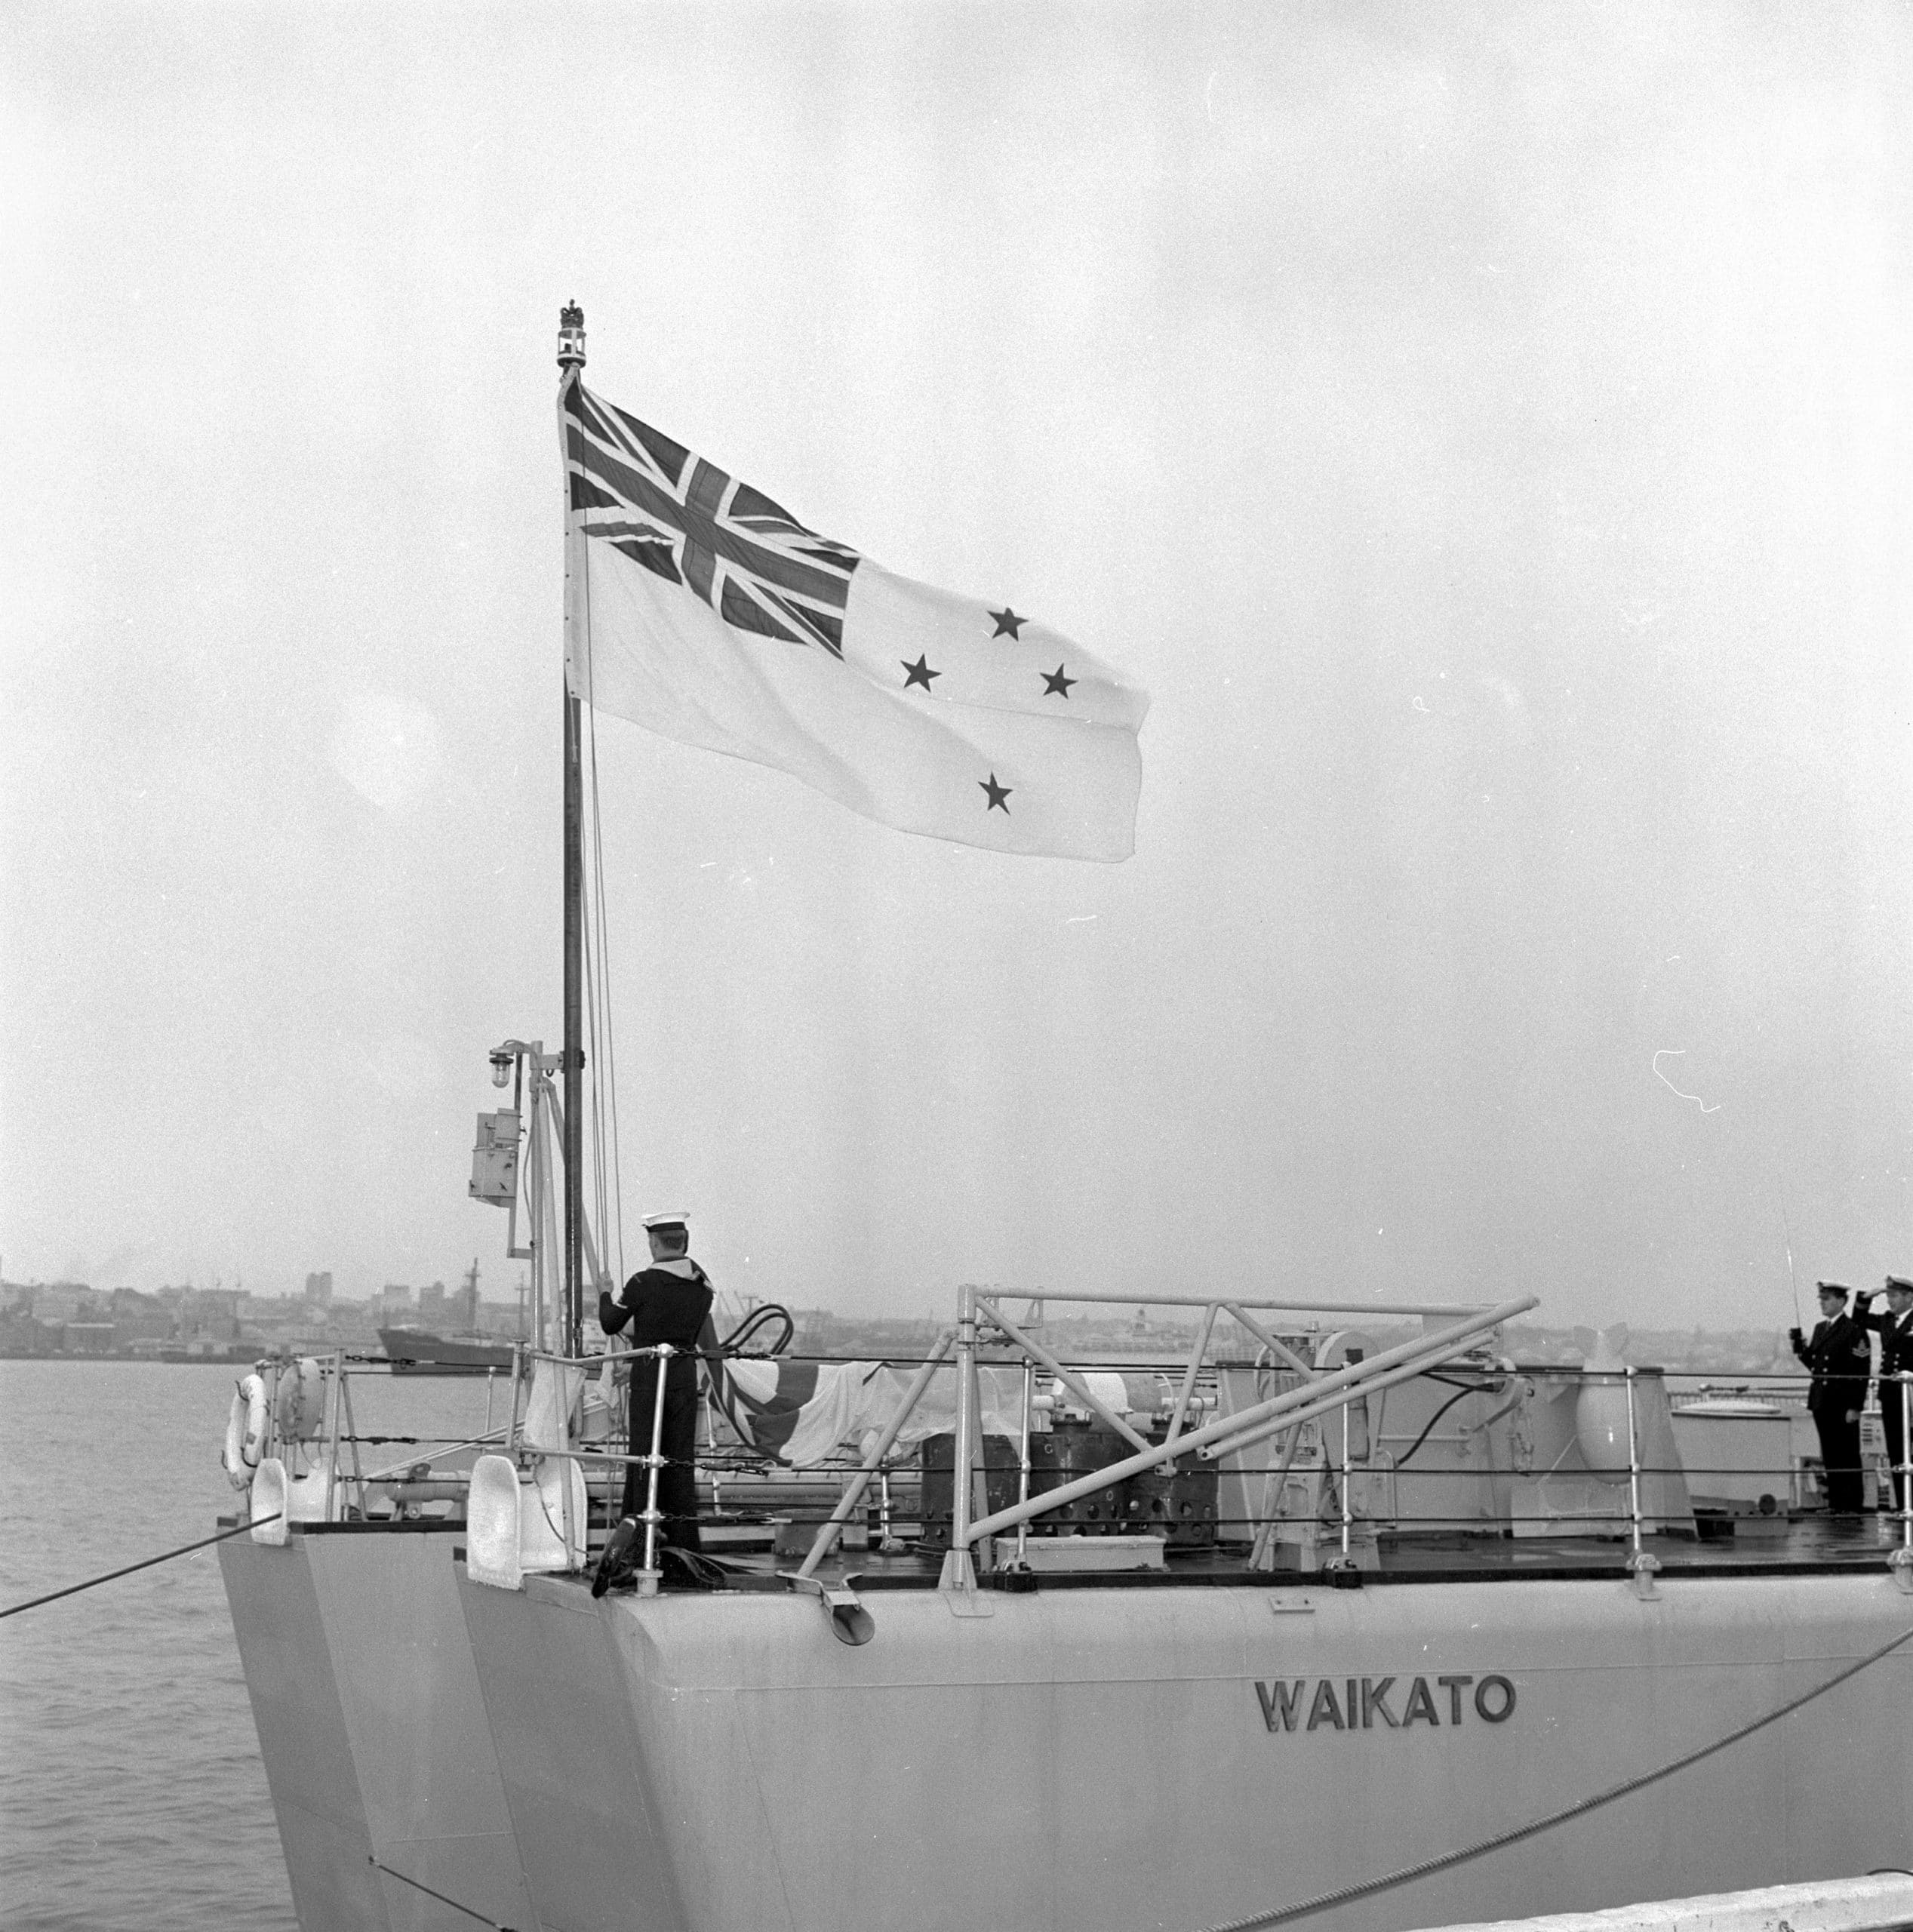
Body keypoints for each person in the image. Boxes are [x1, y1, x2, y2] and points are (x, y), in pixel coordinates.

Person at [598, 1211, 718, 1554]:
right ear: (684, 1243)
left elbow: (610, 1323)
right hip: (682, 1378)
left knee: (644, 1458)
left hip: (651, 1378)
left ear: (653, 1242)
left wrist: (605, 1293)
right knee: (679, 1462)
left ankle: (639, 1544)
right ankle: (683, 1545)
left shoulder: (642, 1283)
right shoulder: (702, 1288)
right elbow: (681, 1331)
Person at [1790, 1281, 1871, 1517]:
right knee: (1830, 1454)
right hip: (1822, 1402)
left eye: (1826, 1299)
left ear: (1841, 1301)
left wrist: (1855, 1406)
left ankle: (1852, 1505)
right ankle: (1836, 1503)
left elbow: (1860, 1372)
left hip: (1842, 1403)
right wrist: (1800, 1349)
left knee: (1847, 1453)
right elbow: (1816, 1367)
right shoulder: (1820, 1329)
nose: (1822, 1304)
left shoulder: (1854, 1330)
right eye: (1821, 1299)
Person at [1856, 1274, 1913, 1518]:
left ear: (1909, 1297)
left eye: (1894, 1295)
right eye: (1888, 1295)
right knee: (1897, 1453)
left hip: (1911, 1393)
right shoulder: (1888, 1321)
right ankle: (1903, 1506)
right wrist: (1865, 1298)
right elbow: (1858, 1320)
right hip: (1891, 1394)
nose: (1889, 1301)